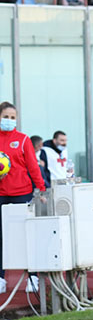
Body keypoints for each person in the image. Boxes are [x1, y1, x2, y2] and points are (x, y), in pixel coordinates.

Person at [0, 102, 46, 295]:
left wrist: (41, 188)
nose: (9, 120)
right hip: (1, 194)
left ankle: (32, 277)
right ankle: (1, 279)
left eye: (13, 117)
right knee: (1, 236)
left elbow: (33, 166)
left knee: (26, 235)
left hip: (22, 193)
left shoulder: (23, 139)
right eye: (6, 117)